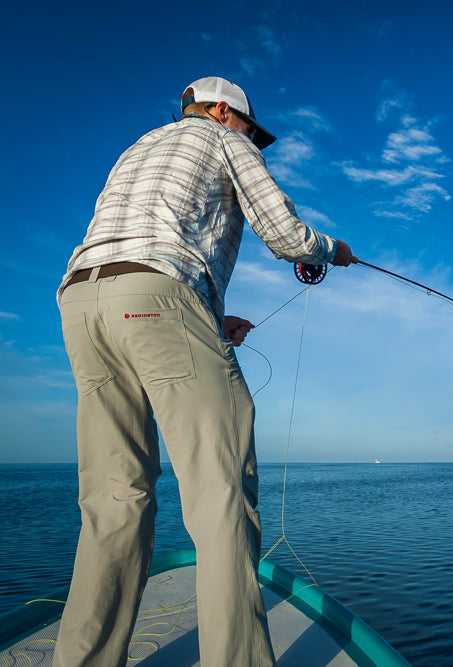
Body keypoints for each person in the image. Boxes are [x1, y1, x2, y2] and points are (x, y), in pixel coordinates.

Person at [53, 76, 352, 667]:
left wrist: (213, 319)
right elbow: (285, 235)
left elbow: (145, 254)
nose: (252, 139)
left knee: (114, 499)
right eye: (248, 127)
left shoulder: (138, 146)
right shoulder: (222, 139)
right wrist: (333, 249)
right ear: (220, 111)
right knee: (219, 493)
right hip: (160, 298)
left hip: (81, 303)